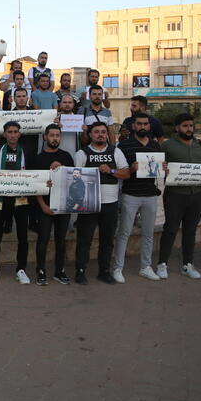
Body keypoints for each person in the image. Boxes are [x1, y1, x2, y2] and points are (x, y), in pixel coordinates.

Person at [73, 121, 130, 285]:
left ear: (107, 134)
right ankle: (80, 271)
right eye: (96, 132)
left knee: (107, 240)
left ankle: (104, 271)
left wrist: (111, 170)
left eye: (103, 132)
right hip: (88, 203)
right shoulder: (82, 154)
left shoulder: (115, 151)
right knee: (84, 239)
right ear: (90, 135)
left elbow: (126, 173)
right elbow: (74, 178)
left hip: (110, 203)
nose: (100, 135)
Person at [113, 113, 164, 283]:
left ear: (149, 126)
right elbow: (120, 171)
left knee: (148, 233)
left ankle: (145, 267)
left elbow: (160, 170)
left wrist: (165, 169)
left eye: (145, 124)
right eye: (139, 123)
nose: (143, 126)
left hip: (150, 194)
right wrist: (132, 169)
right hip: (131, 194)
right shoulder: (124, 146)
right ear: (134, 125)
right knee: (124, 232)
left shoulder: (156, 146)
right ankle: (118, 268)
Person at [158, 113, 201, 280]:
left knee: (190, 231)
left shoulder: (199, 144)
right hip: (175, 195)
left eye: (191, 126)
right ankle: (162, 263)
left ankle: (187, 264)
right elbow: (158, 167)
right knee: (170, 229)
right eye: (185, 126)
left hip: (197, 195)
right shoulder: (167, 146)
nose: (189, 129)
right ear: (177, 128)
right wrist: (163, 169)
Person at [0, 122, 33, 285]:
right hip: (0, 199)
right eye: (9, 132)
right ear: (4, 134)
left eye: (15, 132)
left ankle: (21, 269)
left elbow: (34, 174)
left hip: (21, 200)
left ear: (19, 134)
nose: (12, 135)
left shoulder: (26, 151)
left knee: (22, 237)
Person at [32, 124, 74, 286]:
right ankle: (41, 270)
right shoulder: (38, 158)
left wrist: (62, 170)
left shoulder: (67, 156)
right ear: (45, 137)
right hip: (45, 207)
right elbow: (35, 186)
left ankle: (59, 270)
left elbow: (73, 181)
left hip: (64, 206)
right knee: (43, 239)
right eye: (52, 135)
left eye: (57, 135)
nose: (55, 138)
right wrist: (43, 206)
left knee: (61, 240)